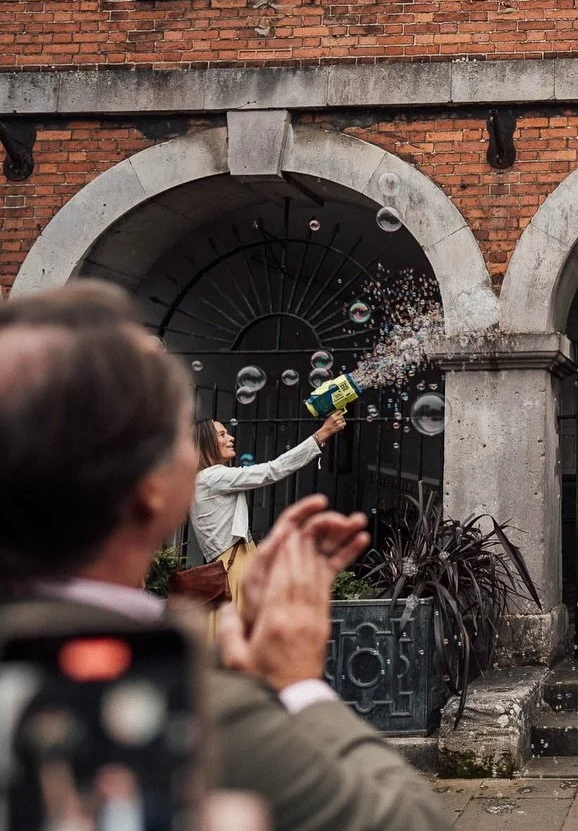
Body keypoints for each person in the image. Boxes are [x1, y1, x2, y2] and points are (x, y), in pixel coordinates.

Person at [0, 281, 449, 831]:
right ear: (151, 488)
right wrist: (296, 684)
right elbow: (411, 820)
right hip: (232, 568)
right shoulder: (189, 709)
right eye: (175, 436)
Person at [192, 411, 346, 615]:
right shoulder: (213, 477)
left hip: (237, 561)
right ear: (207, 443)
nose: (230, 438)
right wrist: (321, 435)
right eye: (222, 435)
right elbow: (273, 470)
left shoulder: (206, 478)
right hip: (235, 565)